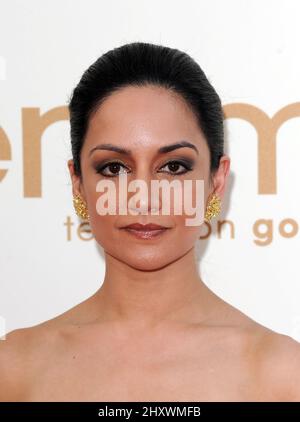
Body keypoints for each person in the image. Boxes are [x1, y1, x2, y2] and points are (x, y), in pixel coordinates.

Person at [1, 42, 300, 402]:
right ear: (78, 182)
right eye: (114, 168)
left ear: (216, 181)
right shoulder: (15, 369)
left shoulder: (282, 375)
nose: (143, 196)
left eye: (173, 167)